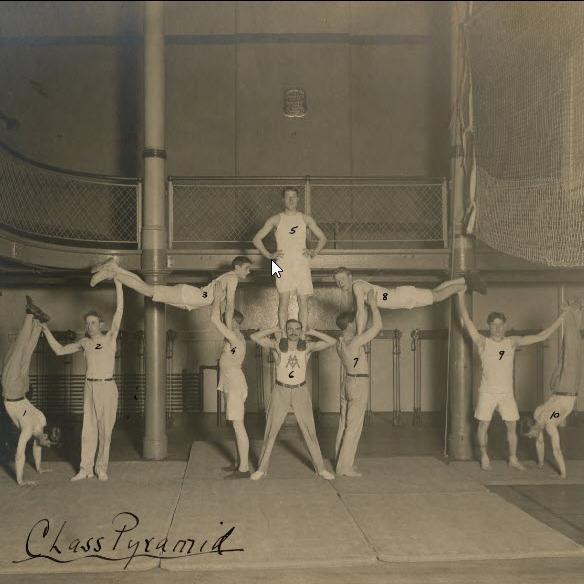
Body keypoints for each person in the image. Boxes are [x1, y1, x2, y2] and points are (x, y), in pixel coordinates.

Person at [457, 289, 564, 471]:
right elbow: (466, 321)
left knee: (511, 427)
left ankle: (513, 458)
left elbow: (541, 336)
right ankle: (484, 456)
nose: (497, 328)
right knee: (483, 424)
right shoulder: (483, 342)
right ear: (489, 326)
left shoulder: (511, 342)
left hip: (506, 393)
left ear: (505, 325)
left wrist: (561, 319)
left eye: (500, 324)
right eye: (494, 325)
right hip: (487, 392)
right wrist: (460, 296)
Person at [42, 278, 124, 481]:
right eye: (87, 323)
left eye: (93, 322)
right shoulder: (85, 343)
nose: (90, 326)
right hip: (89, 386)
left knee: (105, 431)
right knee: (88, 430)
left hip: (107, 387)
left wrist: (119, 284)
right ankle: (85, 468)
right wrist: (44, 329)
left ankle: (101, 468)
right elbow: (60, 350)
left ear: (101, 324)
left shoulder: (109, 338)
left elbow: (120, 311)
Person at [249, 319, 336, 481]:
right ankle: (262, 468)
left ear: (301, 330)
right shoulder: (277, 346)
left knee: (309, 431)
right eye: (290, 329)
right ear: (286, 331)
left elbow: (332, 341)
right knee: (271, 430)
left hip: (300, 391)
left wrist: (312, 332)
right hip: (280, 391)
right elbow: (254, 337)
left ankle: (321, 468)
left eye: (297, 329)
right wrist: (275, 328)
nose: (294, 332)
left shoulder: (307, 347)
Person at [90, 256, 252, 330]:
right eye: (246, 268)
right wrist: (229, 330)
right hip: (188, 295)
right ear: (237, 268)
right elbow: (230, 305)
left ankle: (115, 268)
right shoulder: (233, 279)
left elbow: (223, 304)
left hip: (188, 301)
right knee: (147, 290)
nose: (249, 271)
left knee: (148, 289)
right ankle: (112, 273)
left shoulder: (228, 278)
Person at [252, 187, 327, 336]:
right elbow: (256, 239)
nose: (291, 200)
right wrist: (268, 255)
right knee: (283, 299)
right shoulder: (275, 219)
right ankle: (284, 337)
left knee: (303, 300)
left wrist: (314, 252)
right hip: (278, 264)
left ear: (298, 199)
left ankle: (302, 336)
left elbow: (323, 238)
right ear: (283, 200)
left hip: (301, 263)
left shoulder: (305, 218)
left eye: (294, 197)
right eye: (288, 197)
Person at [525, 298, 582, 478]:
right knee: (572, 353)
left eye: (531, 429)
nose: (534, 429)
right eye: (535, 432)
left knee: (565, 349)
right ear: (539, 432)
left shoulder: (537, 413)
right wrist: (563, 473)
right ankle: (573, 311)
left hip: (556, 386)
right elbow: (556, 448)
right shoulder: (550, 424)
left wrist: (541, 463)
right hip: (568, 390)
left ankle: (574, 313)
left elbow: (539, 445)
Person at [333, 267, 487, 335]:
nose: (340, 283)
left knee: (438, 297)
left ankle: (465, 285)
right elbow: (364, 312)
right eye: (337, 281)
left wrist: (359, 335)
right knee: (435, 293)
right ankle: (465, 279)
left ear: (350, 277)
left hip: (401, 297)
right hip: (401, 296)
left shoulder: (356, 287)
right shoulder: (358, 287)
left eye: (342, 279)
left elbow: (361, 311)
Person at [2, 297, 55, 486]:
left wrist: (31, 473)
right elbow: (27, 451)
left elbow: (28, 452)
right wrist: (28, 476)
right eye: (48, 442)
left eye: (47, 443)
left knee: (23, 350)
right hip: (17, 390)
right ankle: (33, 318)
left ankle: (33, 319)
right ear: (45, 435)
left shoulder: (37, 424)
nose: (46, 444)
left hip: (15, 389)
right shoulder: (34, 426)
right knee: (24, 351)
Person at [335, 289, 382, 477]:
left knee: (343, 424)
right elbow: (377, 327)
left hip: (347, 381)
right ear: (350, 324)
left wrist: (361, 306)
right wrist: (373, 304)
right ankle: (344, 467)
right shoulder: (354, 342)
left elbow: (361, 328)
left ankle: (340, 460)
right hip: (358, 384)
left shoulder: (341, 342)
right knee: (353, 428)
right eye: (355, 321)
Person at [211, 303, 251, 479]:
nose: (223, 323)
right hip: (232, 383)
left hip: (235, 384)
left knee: (238, 424)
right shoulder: (234, 338)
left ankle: (244, 469)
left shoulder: (235, 338)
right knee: (236, 425)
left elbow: (213, 319)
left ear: (233, 321)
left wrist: (216, 300)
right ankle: (238, 463)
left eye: (226, 320)